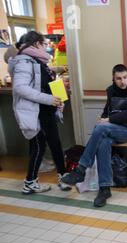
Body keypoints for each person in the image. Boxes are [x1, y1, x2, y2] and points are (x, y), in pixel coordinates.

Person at [61, 64, 127, 207]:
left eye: (125, 77)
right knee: (104, 141)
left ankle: (81, 170)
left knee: (101, 129)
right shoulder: (111, 90)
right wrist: (104, 119)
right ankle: (105, 188)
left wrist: (109, 121)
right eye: (119, 79)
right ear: (113, 79)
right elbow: (106, 111)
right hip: (112, 130)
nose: (123, 81)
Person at [9, 31, 72, 194]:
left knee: (54, 144)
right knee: (39, 146)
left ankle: (62, 176)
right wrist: (48, 99)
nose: (46, 47)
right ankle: (30, 182)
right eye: (44, 44)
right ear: (36, 44)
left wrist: (57, 101)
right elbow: (20, 87)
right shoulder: (25, 61)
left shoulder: (36, 60)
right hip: (36, 112)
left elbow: (42, 82)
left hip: (45, 111)